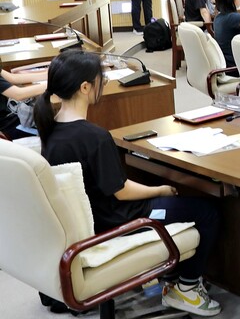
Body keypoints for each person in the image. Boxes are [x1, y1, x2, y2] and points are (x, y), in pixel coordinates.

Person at [35, 51, 221, 316]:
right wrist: (161, 189)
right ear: (85, 87)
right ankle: (187, 289)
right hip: (120, 221)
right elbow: (121, 191)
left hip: (94, 220)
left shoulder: (51, 130)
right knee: (207, 212)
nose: (104, 82)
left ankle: (169, 278)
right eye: (102, 78)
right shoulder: (94, 137)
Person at [0, 65, 47, 139]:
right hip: (6, 126)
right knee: (51, 132)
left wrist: (50, 74)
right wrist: (52, 83)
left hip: (12, 117)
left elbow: (13, 78)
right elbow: (18, 94)